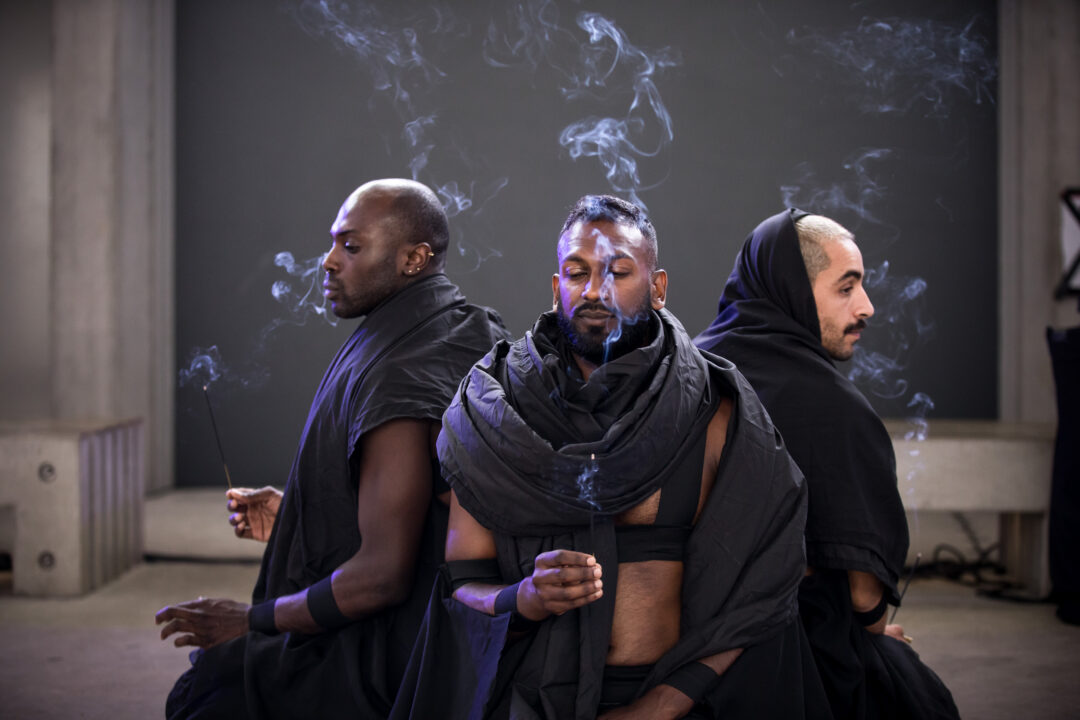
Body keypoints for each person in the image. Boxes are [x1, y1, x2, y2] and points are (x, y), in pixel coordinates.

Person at [392, 196, 829, 720]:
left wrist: (656, 710)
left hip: (680, 703)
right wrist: (524, 599)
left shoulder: (713, 408)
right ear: (557, 290)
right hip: (531, 700)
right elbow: (463, 583)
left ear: (658, 287)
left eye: (618, 272)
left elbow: (760, 590)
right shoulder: (492, 410)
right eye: (577, 273)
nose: (594, 290)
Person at [156, 179, 508, 719]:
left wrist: (250, 620)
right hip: (425, 620)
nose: (328, 261)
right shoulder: (441, 327)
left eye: (351, 245)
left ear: (414, 258)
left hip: (389, 653)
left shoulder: (402, 372)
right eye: (333, 243)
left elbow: (384, 577)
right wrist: (300, 518)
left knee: (205, 696)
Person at [695, 209, 960, 719]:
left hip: (684, 649)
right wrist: (876, 634)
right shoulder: (834, 408)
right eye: (846, 288)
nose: (867, 307)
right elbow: (863, 599)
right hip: (793, 658)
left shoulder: (692, 369)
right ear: (791, 290)